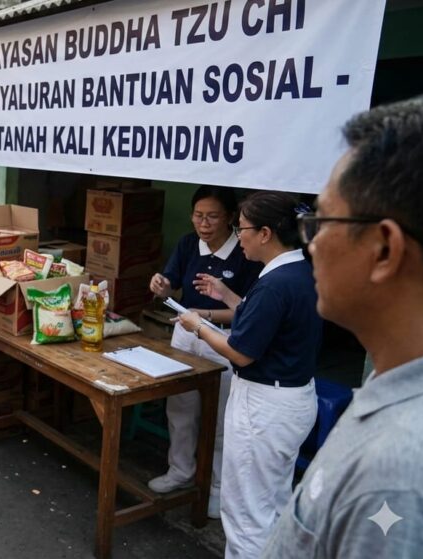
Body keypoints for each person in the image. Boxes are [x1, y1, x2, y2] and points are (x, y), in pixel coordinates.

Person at [262, 98, 423, 556]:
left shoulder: (395, 474)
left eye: (321, 222)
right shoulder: (392, 394)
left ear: (384, 250)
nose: (311, 245)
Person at [178, 191, 321, 558]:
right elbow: (265, 321)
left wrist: (198, 325)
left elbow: (241, 352)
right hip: (292, 398)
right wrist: (227, 296)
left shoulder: (274, 283)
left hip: (265, 405)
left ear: (265, 233)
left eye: (242, 229)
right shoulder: (298, 271)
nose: (237, 236)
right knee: (272, 500)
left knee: (246, 513)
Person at [147, 186, 262, 518]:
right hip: (186, 332)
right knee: (180, 407)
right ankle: (180, 470)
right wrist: (161, 286)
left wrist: (206, 316)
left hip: (224, 339)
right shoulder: (188, 244)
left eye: (212, 216)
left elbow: (249, 312)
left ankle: (217, 488)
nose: (204, 223)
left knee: (222, 417)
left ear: (230, 218)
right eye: (198, 216)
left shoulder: (245, 251)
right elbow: (171, 284)